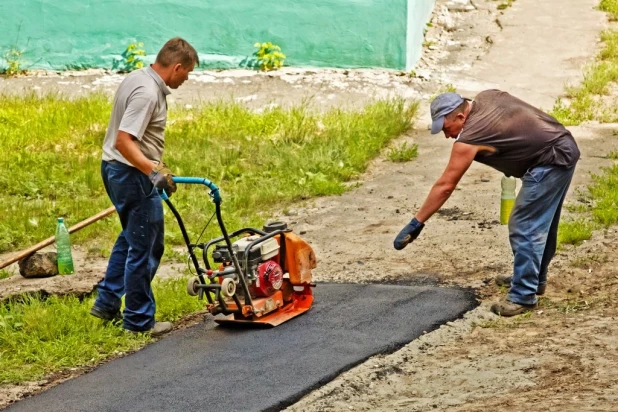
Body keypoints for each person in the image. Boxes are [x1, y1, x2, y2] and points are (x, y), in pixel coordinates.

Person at [393, 90, 580, 317]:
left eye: (446, 128)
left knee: (525, 225)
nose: (446, 136)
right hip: (561, 147)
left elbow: (445, 186)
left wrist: (417, 222)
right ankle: (533, 279)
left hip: (550, 160)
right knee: (541, 225)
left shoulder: (470, 137)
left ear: (461, 118)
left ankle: (523, 295)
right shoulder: (487, 97)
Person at [90, 37, 199, 334]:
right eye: (187, 72)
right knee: (146, 246)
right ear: (176, 67)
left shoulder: (138, 77)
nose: (187, 78)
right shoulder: (147, 92)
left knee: (130, 238)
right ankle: (138, 321)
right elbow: (123, 141)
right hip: (130, 174)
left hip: (116, 170)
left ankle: (107, 302)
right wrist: (154, 169)